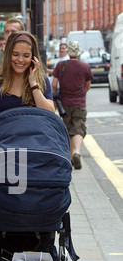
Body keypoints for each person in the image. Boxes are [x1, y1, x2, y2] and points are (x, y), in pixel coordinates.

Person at [0, 31, 55, 135]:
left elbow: (50, 114)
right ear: (8, 55)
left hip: (35, 143)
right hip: (5, 142)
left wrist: (33, 84)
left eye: (26, 56)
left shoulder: (41, 81)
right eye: (15, 54)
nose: (20, 60)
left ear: (33, 58)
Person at [52, 41, 93, 169]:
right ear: (79, 51)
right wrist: (81, 94)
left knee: (68, 130)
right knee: (79, 128)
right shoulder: (85, 66)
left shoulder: (61, 65)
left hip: (65, 103)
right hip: (79, 102)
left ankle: (69, 158)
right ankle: (77, 152)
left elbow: (54, 84)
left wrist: (58, 94)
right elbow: (88, 86)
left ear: (68, 52)